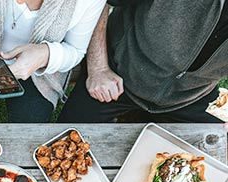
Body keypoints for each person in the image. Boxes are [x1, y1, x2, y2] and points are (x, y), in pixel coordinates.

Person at [58, 1, 228, 129]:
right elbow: (98, 2)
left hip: (191, 95)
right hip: (119, 72)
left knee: (216, 162)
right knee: (63, 144)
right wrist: (98, 68)